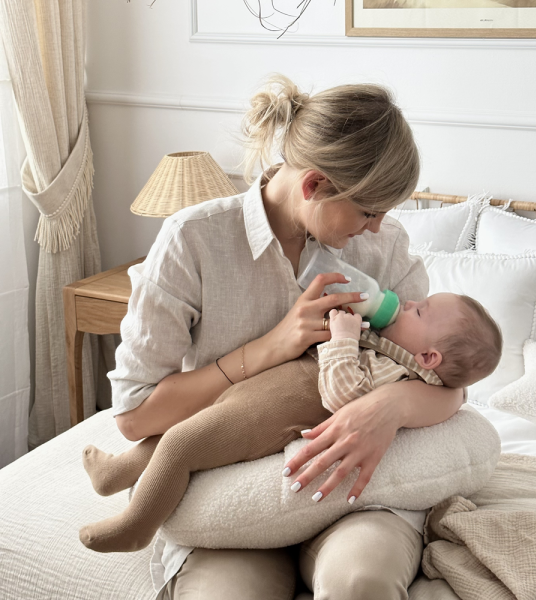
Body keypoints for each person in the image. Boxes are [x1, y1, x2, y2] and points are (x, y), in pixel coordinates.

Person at [106, 74, 466, 600]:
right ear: (314, 185)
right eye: (368, 211)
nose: (375, 228)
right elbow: (135, 417)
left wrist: (386, 410)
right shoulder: (194, 240)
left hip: (355, 493)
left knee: (360, 583)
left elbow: (449, 380)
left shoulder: (384, 245)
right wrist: (268, 349)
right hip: (231, 490)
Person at [79, 292, 502, 553]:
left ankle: (137, 527)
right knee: (187, 428)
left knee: (181, 446)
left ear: (428, 359)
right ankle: (115, 473)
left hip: (271, 415)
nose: (409, 302)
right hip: (258, 392)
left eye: (420, 312)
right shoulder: (387, 343)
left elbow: (342, 397)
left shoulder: (395, 371)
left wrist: (343, 339)